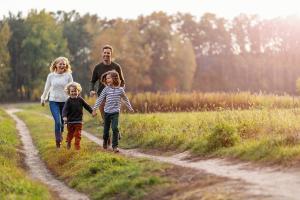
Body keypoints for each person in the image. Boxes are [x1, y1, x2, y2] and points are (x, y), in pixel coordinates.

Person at [92, 70, 133, 153]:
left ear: (114, 78)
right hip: (107, 112)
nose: (107, 80)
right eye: (106, 79)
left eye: (109, 78)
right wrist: (94, 109)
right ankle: (105, 141)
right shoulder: (106, 89)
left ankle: (115, 146)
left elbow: (125, 99)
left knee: (115, 128)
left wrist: (130, 107)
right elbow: (100, 99)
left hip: (115, 112)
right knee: (106, 131)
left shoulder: (120, 90)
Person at [41, 57, 73, 148]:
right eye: (60, 63)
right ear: (56, 65)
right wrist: (43, 98)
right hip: (53, 101)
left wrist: (74, 99)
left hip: (65, 102)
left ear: (66, 65)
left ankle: (60, 134)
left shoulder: (68, 75)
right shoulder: (51, 76)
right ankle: (58, 141)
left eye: (64, 64)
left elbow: (72, 87)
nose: (62, 65)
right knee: (58, 122)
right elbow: (47, 88)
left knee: (63, 122)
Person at [90, 45, 125, 122]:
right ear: (102, 54)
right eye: (104, 53)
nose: (106, 54)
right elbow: (93, 81)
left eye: (108, 53)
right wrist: (92, 90)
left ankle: (115, 131)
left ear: (111, 54)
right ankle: (107, 130)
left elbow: (122, 81)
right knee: (105, 117)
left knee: (114, 116)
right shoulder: (97, 67)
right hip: (102, 94)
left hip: (113, 94)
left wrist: (120, 91)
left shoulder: (116, 66)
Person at [62, 82, 95, 150]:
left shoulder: (80, 99)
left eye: (75, 91)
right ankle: (68, 141)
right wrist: (64, 116)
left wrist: (92, 111)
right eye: (72, 91)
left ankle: (77, 147)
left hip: (78, 121)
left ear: (78, 91)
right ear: (69, 92)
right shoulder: (68, 101)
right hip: (70, 121)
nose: (74, 92)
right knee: (70, 134)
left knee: (78, 134)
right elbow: (64, 109)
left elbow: (87, 106)